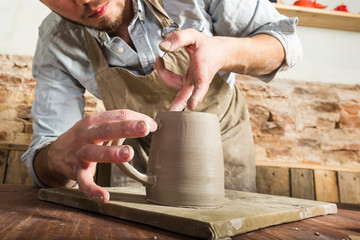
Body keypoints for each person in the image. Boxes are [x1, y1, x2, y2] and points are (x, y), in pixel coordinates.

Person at [22, 0, 302, 204]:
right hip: (136, 165)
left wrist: (224, 51)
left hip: (221, 154)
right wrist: (58, 159)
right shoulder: (55, 40)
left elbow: (285, 43)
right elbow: (45, 154)